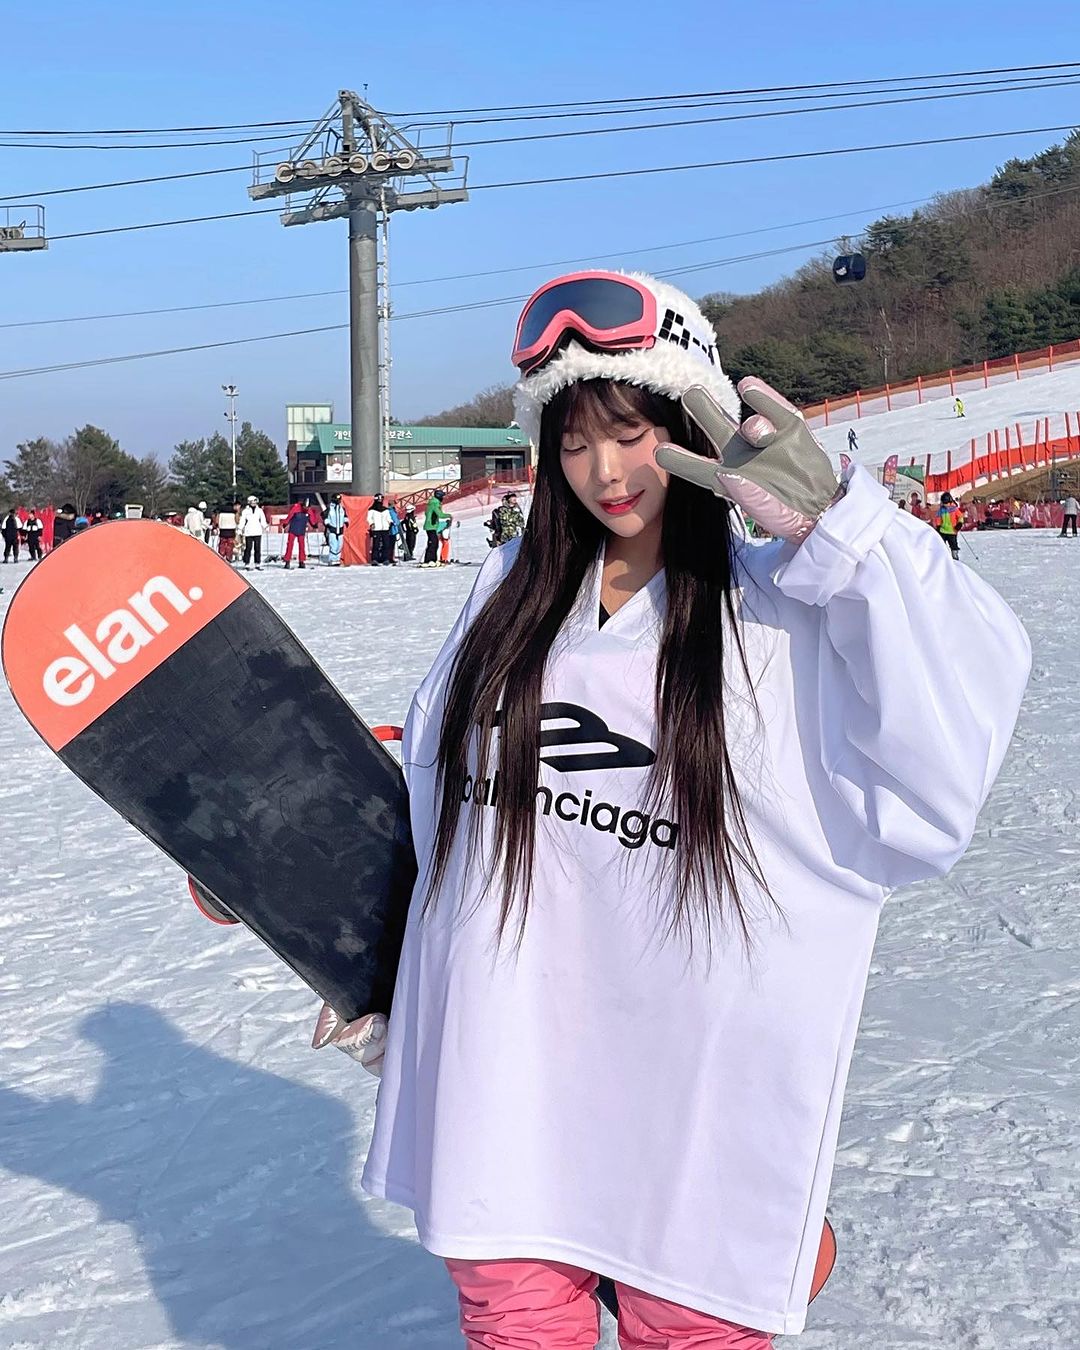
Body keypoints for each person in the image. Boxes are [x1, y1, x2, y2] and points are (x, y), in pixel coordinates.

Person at [312, 270, 1030, 1348]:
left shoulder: (785, 608)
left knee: (686, 1323)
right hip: (506, 1066)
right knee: (514, 1316)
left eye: (632, 432)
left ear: (693, 424)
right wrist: (360, 939)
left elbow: (947, 739)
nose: (604, 472)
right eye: (573, 443)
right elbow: (437, 792)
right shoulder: (509, 595)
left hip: (695, 1087)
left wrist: (844, 531)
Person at [239, 495, 267, 569]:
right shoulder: (245, 511)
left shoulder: (259, 510)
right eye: (252, 502)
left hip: (257, 531)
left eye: (255, 501)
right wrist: (240, 528)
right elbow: (242, 520)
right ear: (249, 502)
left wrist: (265, 526)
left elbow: (263, 520)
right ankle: (246, 562)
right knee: (248, 548)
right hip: (249, 531)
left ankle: (257, 563)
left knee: (257, 548)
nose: (254, 503)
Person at [422, 488, 449, 566]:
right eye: (442, 496)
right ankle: (428, 560)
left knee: (435, 543)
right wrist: (449, 516)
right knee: (433, 543)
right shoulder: (434, 503)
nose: (443, 498)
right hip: (430, 526)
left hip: (432, 526)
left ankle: (433, 559)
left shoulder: (433, 502)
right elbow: (440, 514)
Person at [283, 498, 312, 569]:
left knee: (302, 546)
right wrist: (285, 523)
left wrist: (314, 524)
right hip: (293, 529)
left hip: (301, 530)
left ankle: (301, 561)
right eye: (305, 507)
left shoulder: (309, 511)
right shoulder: (296, 508)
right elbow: (290, 515)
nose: (306, 508)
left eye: (307, 507)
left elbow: (312, 518)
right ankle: (287, 561)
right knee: (290, 545)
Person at [934, 491, 964, 558]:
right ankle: (942, 557)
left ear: (950, 502)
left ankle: (955, 556)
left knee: (953, 545)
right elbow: (938, 518)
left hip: (952, 531)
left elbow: (960, 517)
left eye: (946, 503)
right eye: (944, 503)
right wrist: (938, 526)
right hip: (943, 531)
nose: (945, 505)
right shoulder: (941, 510)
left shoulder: (954, 509)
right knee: (941, 544)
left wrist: (959, 524)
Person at [367, 494, 393, 566]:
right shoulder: (371, 510)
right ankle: (375, 559)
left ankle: (385, 558)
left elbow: (388, 517)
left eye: (381, 500)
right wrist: (372, 523)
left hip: (385, 529)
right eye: (379, 500)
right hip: (376, 529)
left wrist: (390, 522)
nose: (380, 501)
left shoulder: (385, 510)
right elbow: (369, 518)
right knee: (376, 544)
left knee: (386, 544)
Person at [325, 493, 349, 565]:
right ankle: (332, 559)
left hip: (340, 529)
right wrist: (327, 523)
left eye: (339, 499)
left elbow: (344, 516)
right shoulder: (330, 508)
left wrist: (346, 521)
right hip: (332, 529)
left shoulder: (342, 508)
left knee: (339, 545)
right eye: (337, 499)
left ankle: (337, 558)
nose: (338, 501)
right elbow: (324, 516)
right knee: (333, 545)